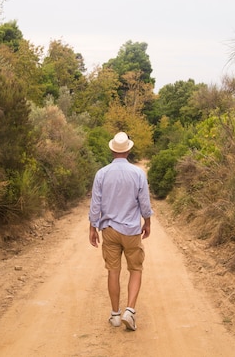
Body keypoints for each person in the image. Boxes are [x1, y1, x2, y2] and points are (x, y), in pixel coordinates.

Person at [88, 131, 153, 331]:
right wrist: (147, 222)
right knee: (135, 269)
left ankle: (115, 315)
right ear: (129, 150)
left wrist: (93, 227)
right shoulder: (137, 174)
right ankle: (130, 311)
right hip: (131, 230)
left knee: (113, 271)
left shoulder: (102, 173)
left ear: (111, 150)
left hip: (109, 229)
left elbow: (95, 203)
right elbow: (144, 202)